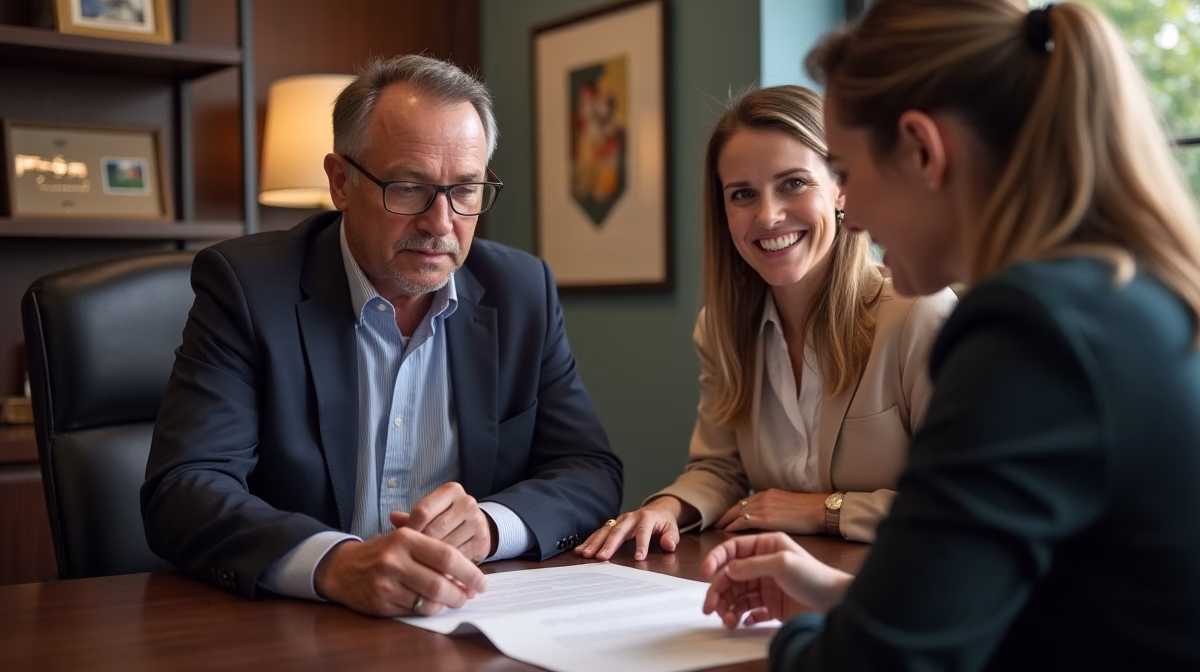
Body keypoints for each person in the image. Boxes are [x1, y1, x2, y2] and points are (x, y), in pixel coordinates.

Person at [701, 1, 1200, 668]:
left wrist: (792, 643)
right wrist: (836, 596)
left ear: (921, 150)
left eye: (843, 174)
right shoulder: (1122, 295)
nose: (853, 219)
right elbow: (1047, 599)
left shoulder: (1028, 333)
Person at [141, 54, 623, 618]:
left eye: (465, 190)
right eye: (409, 187)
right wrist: (336, 563)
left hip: (464, 620)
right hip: (297, 627)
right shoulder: (248, 287)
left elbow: (589, 469)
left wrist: (492, 526)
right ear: (341, 182)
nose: (440, 223)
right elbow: (184, 489)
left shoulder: (521, 290)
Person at [577, 85, 956, 562]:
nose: (768, 215)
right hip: (778, 587)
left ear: (842, 187)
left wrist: (825, 511)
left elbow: (963, 502)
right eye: (742, 194)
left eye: (793, 183)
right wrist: (668, 508)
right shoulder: (719, 328)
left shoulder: (919, 313)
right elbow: (721, 467)